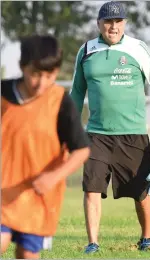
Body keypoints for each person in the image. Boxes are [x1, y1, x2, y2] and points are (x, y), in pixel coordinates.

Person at [70, 1, 150, 253]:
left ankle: (147, 238)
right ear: (99, 23)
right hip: (96, 135)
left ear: (125, 24)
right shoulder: (86, 51)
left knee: (141, 191)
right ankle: (92, 243)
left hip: (133, 135)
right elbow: (76, 93)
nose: (113, 26)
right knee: (92, 188)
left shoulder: (138, 49)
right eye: (107, 21)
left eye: (118, 21)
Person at [1, 34, 90, 259]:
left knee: (27, 254)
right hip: (2, 191)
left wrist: (53, 177)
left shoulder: (60, 102)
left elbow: (81, 150)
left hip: (37, 196)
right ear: (22, 67)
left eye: (49, 76)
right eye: (35, 74)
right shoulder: (3, 95)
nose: (41, 83)